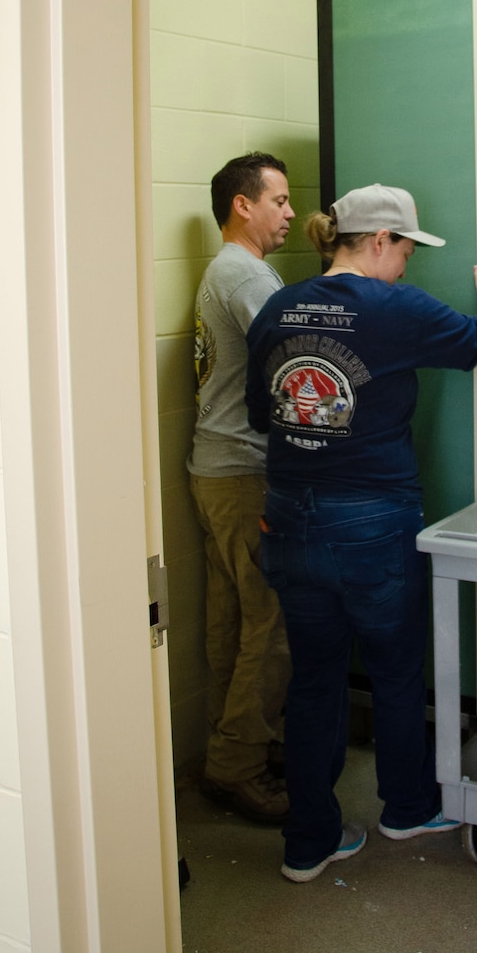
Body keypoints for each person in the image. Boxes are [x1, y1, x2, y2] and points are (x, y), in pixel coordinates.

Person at [245, 183, 477, 882]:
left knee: (315, 679)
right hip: (369, 519)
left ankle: (309, 843)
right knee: (395, 671)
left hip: (288, 517)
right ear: (381, 242)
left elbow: (259, 413)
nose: (409, 265)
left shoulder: (277, 305)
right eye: (407, 250)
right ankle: (408, 809)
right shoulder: (394, 306)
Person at [187, 152, 295, 822]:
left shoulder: (228, 270)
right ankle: (237, 763)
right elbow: (294, 358)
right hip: (244, 472)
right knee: (272, 618)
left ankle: (235, 747)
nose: (289, 212)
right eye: (279, 201)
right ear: (242, 205)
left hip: (214, 469)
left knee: (232, 616)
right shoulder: (243, 274)